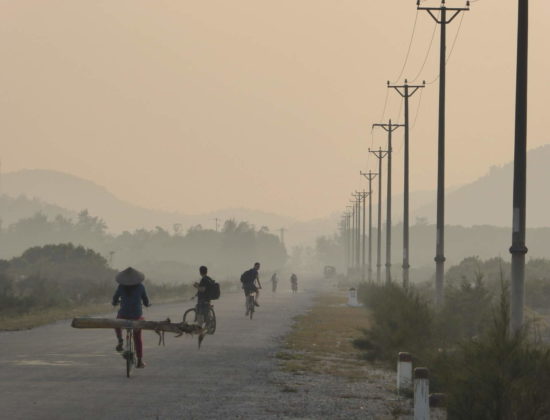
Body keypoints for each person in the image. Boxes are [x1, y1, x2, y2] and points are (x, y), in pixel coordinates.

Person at [112, 267, 150, 369]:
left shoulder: (121, 287)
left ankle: (120, 339)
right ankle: (140, 361)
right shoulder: (141, 287)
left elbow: (115, 299)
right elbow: (146, 300)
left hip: (123, 315)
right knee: (137, 337)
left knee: (117, 322)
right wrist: (146, 304)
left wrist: (114, 303)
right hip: (136, 316)